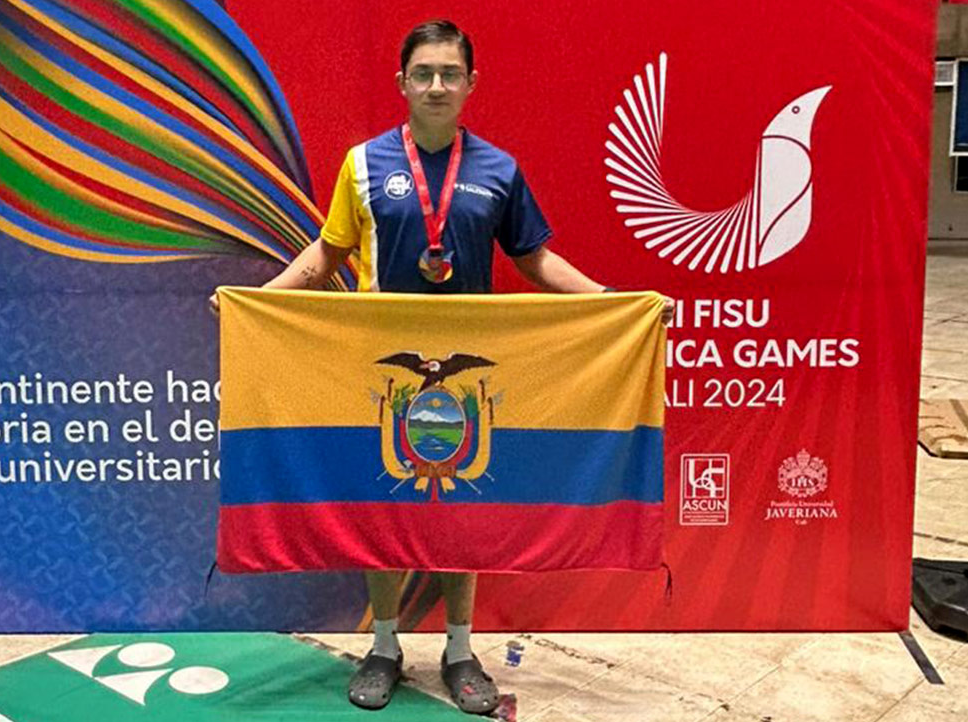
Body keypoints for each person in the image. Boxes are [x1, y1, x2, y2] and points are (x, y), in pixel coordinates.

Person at [214, 19, 673, 715]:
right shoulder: (361, 165)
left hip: (469, 375)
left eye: (448, 74)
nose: (435, 85)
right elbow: (327, 253)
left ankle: (460, 649)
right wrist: (255, 302)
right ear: (402, 84)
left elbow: (533, 258)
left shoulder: (498, 170)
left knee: (463, 508)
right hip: (381, 372)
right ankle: (385, 647)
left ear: (469, 85)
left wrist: (614, 304)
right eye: (422, 73)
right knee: (383, 503)